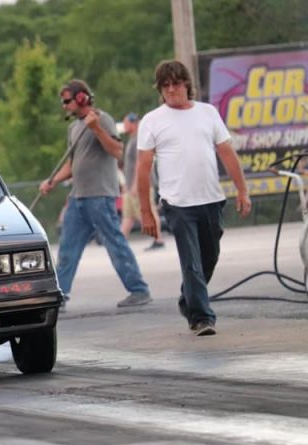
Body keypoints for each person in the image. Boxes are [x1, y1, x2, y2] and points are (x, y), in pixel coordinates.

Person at [136, 60, 251, 337]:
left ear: (187, 84)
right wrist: (146, 211)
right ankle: (202, 318)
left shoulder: (207, 113)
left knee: (210, 257)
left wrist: (242, 190)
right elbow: (143, 168)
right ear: (160, 90)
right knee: (191, 263)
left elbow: (227, 152)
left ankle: (188, 299)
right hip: (177, 204)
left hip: (211, 199)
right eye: (165, 85)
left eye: (176, 83)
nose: (171, 90)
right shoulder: (152, 120)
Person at [39, 79, 152, 308]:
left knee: (115, 244)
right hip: (78, 197)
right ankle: (60, 296)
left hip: (100, 195)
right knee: (67, 249)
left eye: (67, 101)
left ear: (81, 98)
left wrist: (96, 128)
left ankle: (139, 290)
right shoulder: (73, 128)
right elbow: (72, 164)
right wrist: (52, 181)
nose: (64, 106)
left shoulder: (103, 119)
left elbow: (116, 150)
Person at [119, 112, 165, 250]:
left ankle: (158, 239)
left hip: (141, 185)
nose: (124, 126)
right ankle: (121, 243)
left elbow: (140, 163)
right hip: (130, 185)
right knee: (128, 215)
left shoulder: (139, 140)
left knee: (150, 210)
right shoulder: (132, 139)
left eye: (126, 123)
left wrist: (135, 184)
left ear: (133, 123)